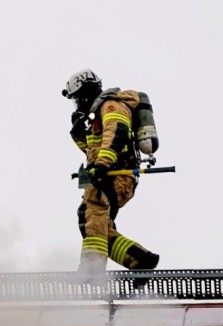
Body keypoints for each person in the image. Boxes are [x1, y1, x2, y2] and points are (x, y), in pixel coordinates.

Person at [62, 69, 159, 278]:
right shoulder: (96, 114)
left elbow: (117, 134)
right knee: (90, 221)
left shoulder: (111, 105)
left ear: (85, 94)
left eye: (78, 99)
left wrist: (102, 165)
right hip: (107, 174)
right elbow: (91, 150)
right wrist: (77, 132)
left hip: (115, 175)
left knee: (94, 212)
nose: (78, 104)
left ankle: (92, 269)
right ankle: (140, 259)